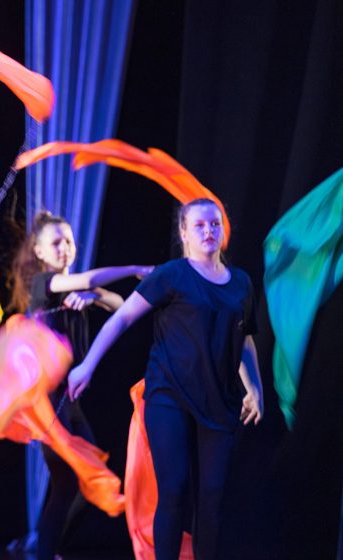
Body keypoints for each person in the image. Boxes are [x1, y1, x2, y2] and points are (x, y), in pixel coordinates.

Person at [67, 199, 264, 560]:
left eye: (214, 224)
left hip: (219, 400)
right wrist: (88, 365)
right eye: (199, 225)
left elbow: (244, 338)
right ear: (184, 233)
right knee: (173, 490)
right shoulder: (172, 275)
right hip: (170, 396)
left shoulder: (240, 282)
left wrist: (255, 387)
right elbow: (123, 318)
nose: (208, 231)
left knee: (212, 497)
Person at [8, 211, 152, 558]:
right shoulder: (44, 284)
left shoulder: (77, 290)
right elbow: (87, 278)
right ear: (39, 251)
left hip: (69, 402)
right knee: (77, 479)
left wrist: (93, 297)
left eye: (68, 241)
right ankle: (40, 548)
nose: (64, 248)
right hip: (46, 402)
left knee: (77, 483)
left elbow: (119, 305)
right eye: (55, 243)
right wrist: (132, 269)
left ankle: (39, 547)